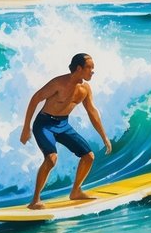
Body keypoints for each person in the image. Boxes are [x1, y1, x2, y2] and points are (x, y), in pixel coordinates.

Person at [18, 53, 113, 210]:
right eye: (89, 67)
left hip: (63, 125)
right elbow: (36, 99)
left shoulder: (85, 89)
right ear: (78, 68)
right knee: (51, 159)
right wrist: (26, 128)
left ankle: (76, 191)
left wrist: (104, 136)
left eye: (93, 68)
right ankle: (35, 200)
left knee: (88, 156)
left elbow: (92, 112)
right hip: (44, 124)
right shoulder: (58, 83)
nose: (92, 71)